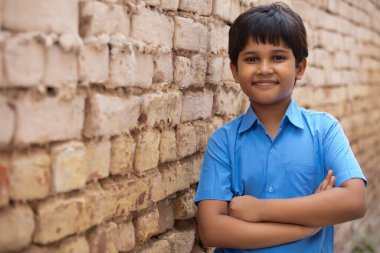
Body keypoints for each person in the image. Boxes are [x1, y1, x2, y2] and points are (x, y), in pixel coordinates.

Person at [194, 2, 367, 253]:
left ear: (300, 67)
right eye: (252, 59)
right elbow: (212, 230)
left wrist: (259, 209)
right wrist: (307, 225)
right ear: (234, 70)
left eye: (278, 57)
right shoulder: (224, 142)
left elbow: (355, 201)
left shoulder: (324, 130)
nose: (264, 69)